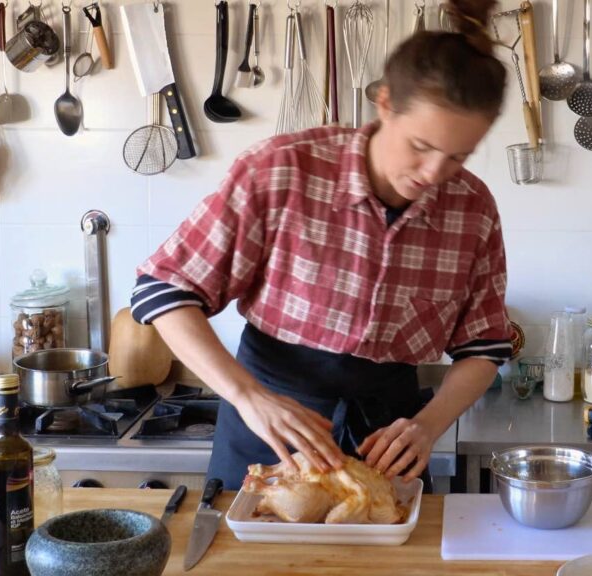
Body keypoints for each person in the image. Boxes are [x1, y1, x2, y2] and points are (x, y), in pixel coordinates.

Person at [130, 0, 510, 490]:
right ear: (386, 103)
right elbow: (162, 291)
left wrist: (429, 423)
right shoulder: (282, 171)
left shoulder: (471, 208)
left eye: (458, 156)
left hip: (388, 440)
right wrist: (247, 395)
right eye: (421, 146)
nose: (434, 174)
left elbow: (484, 346)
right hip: (266, 429)